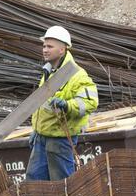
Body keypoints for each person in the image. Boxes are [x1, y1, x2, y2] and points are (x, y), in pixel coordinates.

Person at [25, 26, 98, 181]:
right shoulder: (49, 72)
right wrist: (36, 129)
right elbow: (41, 106)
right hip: (41, 138)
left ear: (62, 49)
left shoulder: (77, 75)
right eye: (44, 46)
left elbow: (90, 101)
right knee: (34, 182)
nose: (45, 50)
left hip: (60, 139)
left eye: (50, 46)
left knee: (62, 184)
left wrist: (67, 105)